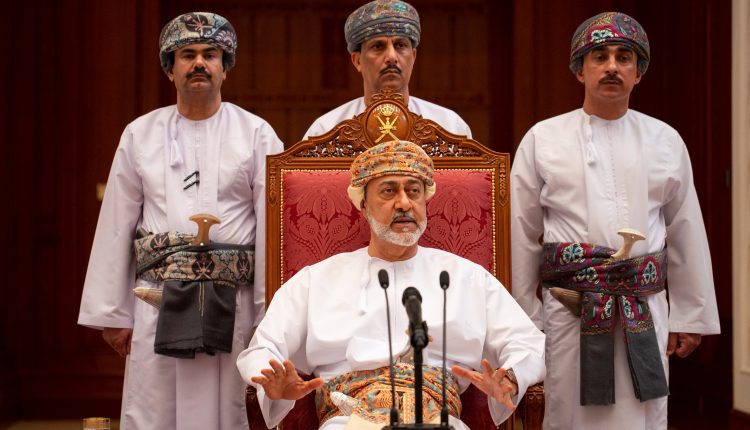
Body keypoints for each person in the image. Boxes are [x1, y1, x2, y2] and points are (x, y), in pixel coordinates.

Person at [237, 140, 545, 429]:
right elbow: (262, 347)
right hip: (349, 421)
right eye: (388, 191)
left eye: (414, 191)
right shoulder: (315, 280)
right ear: (363, 205)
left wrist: (511, 379)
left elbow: (529, 343)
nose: (404, 203)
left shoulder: (467, 277)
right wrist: (273, 381)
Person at [510, 11, 720, 430]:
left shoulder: (665, 141)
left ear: (638, 73)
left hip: (644, 306)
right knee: (569, 412)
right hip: (569, 309)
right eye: (599, 56)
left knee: (643, 414)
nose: (611, 66)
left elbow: (685, 229)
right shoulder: (542, 139)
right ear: (579, 70)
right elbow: (521, 232)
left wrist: (689, 316)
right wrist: (524, 318)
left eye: (624, 57)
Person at [77, 12, 283, 429]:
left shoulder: (257, 134)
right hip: (157, 300)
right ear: (170, 69)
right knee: (156, 410)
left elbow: (274, 227)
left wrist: (270, 315)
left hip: (235, 303)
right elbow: (116, 223)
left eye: (210, 54)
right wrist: (115, 313)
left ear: (225, 67)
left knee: (230, 410)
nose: (199, 63)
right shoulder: (140, 134)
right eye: (187, 55)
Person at [303, 0, 472, 139]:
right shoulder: (325, 131)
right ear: (357, 61)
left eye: (400, 45)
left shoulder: (450, 127)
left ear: (413, 56)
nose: (391, 56)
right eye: (378, 46)